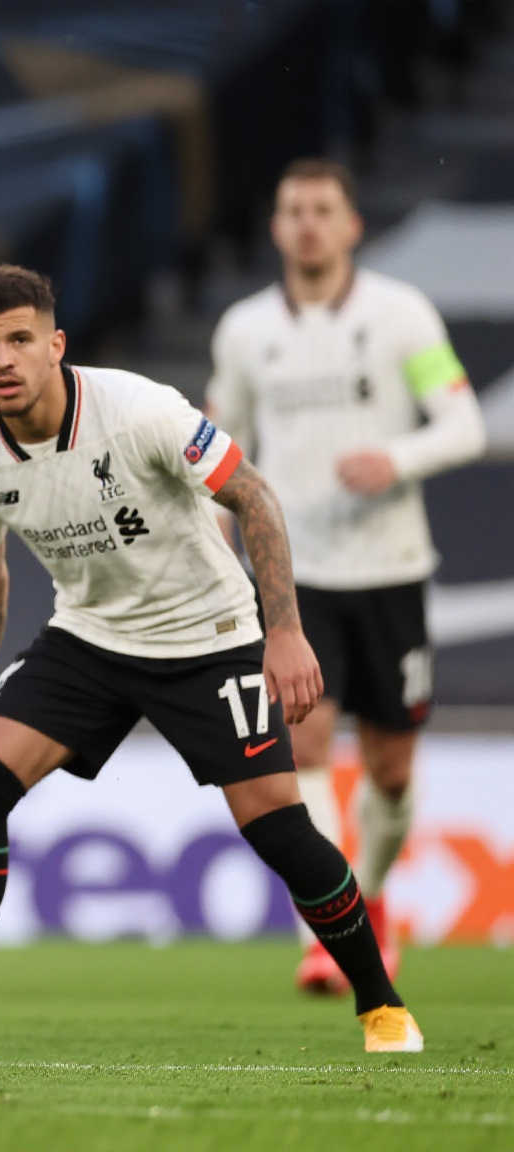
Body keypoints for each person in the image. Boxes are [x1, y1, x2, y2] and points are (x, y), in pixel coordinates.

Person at [0, 265, 421, 1054]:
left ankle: (382, 1006)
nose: (4, 359)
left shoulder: (140, 411)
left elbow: (253, 495)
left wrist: (284, 631)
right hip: (91, 637)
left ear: (56, 345)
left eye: (20, 339)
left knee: (279, 829)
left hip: (209, 636)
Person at [207, 158, 485, 995]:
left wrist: (395, 458)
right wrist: (217, 552)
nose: (308, 224)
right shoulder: (245, 331)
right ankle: (335, 933)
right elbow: (219, 452)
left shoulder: (401, 316)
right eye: (294, 210)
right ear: (275, 227)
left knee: (392, 771)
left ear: (353, 225)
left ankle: (371, 899)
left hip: (392, 571)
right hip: (296, 579)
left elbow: (465, 425)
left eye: (323, 209)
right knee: (305, 746)